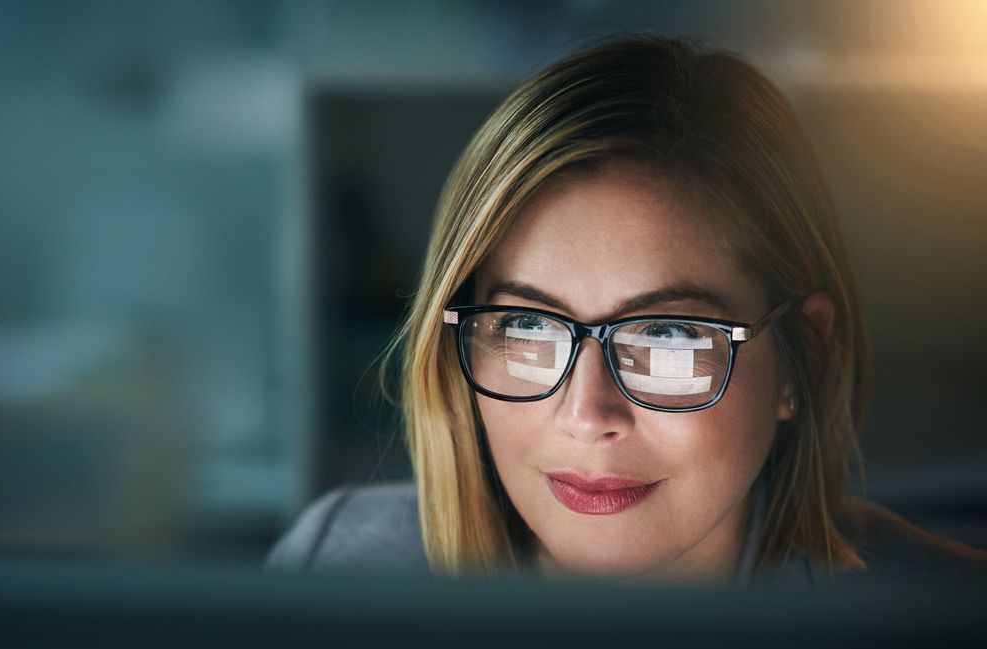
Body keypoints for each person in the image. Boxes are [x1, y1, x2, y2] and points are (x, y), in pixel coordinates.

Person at [266, 35, 987, 584]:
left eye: (668, 334)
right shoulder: (338, 567)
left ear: (804, 357)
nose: (587, 413)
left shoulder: (942, 616)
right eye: (525, 325)